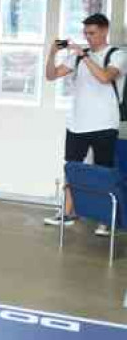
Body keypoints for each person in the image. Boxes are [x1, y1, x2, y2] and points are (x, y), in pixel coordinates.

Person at [43, 13, 125, 236]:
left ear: (104, 31)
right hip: (77, 123)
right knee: (73, 169)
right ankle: (68, 213)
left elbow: (104, 78)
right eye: (86, 34)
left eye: (92, 33)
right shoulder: (78, 57)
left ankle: (106, 220)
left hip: (104, 123)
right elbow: (51, 76)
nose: (88, 38)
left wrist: (84, 56)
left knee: (103, 171)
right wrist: (52, 53)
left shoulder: (117, 55)